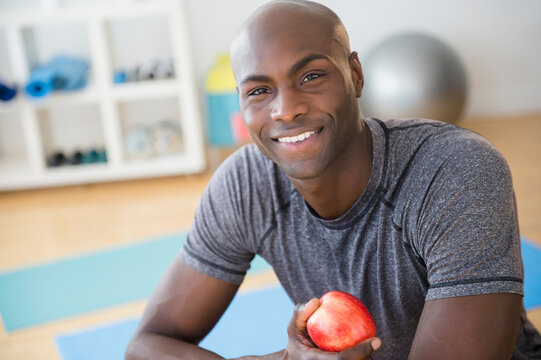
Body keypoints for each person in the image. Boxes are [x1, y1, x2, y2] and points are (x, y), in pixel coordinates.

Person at [125, 1, 541, 359]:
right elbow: (146, 346)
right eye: (258, 91)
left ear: (355, 74)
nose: (285, 110)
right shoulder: (247, 184)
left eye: (311, 77)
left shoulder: (455, 171)